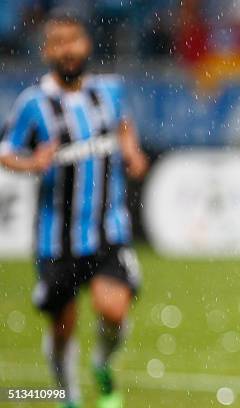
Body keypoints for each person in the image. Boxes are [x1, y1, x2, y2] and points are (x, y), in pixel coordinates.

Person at [0, 9, 148, 408]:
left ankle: (101, 364)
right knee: (63, 327)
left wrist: (131, 150)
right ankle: (67, 397)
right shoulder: (34, 104)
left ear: (87, 44)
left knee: (114, 310)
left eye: (74, 40)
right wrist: (32, 163)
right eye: (58, 42)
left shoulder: (110, 91)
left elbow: (123, 124)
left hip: (107, 230)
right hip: (56, 237)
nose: (68, 49)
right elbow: (6, 152)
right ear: (47, 49)